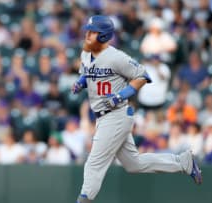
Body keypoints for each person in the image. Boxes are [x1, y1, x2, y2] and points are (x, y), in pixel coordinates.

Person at [71, 15, 202, 203]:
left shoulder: (116, 57)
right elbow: (87, 73)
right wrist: (80, 83)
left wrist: (120, 95)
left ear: (103, 35)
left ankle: (83, 200)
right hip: (103, 116)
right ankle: (182, 162)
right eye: (88, 30)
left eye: (92, 31)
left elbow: (143, 75)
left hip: (115, 115)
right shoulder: (85, 53)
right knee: (134, 164)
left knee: (94, 162)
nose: (87, 34)